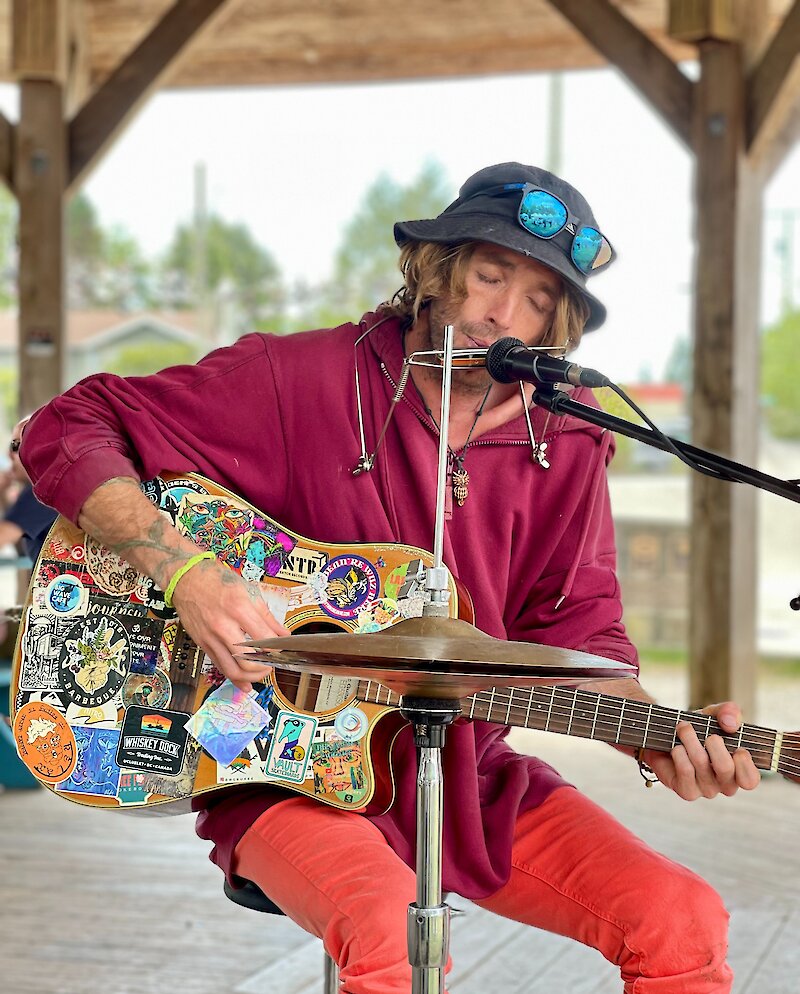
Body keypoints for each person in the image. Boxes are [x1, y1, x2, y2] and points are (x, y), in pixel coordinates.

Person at [19, 162, 760, 994]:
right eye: (489, 274)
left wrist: (656, 735)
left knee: (682, 922)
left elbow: (580, 632)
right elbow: (65, 424)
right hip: (281, 766)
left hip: (470, 784)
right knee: (389, 934)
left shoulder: (573, 442)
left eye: (541, 299)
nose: (503, 313)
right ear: (438, 271)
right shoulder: (300, 379)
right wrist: (187, 570)